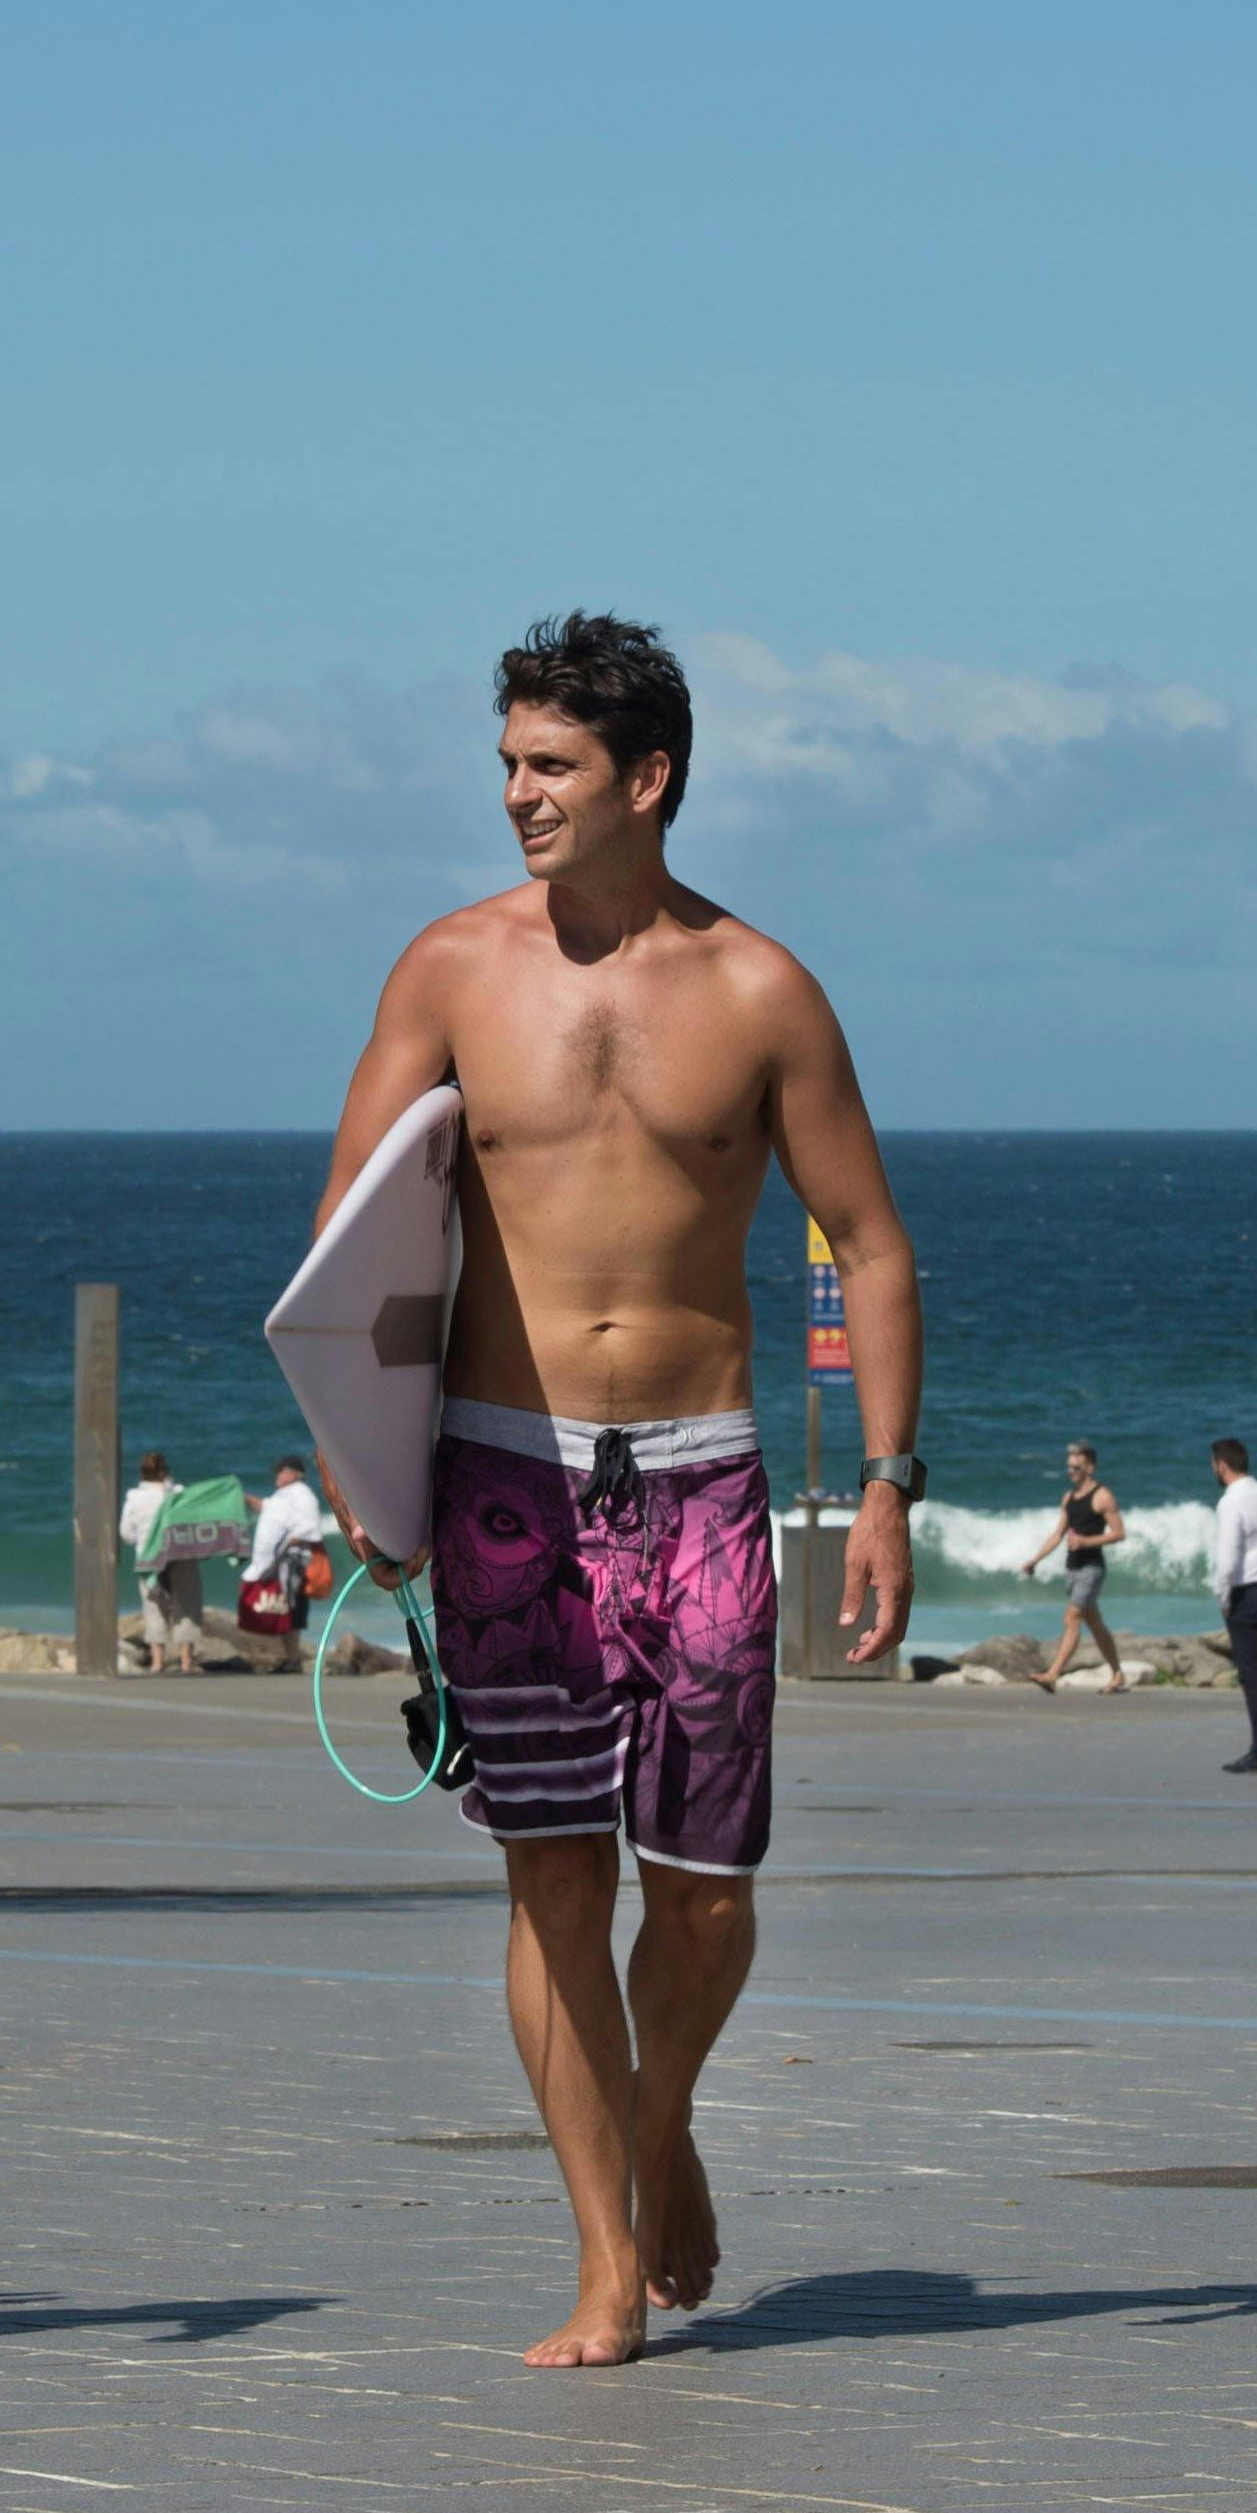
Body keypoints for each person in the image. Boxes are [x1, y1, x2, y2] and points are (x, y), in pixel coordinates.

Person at [313, 612, 922, 2371]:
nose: (518, 796)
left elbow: (871, 1248)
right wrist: (367, 1461)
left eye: (553, 767)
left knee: (709, 1890)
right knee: (553, 1879)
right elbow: (346, 1241)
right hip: (500, 1478)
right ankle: (599, 2258)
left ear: (646, 778)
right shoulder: (446, 971)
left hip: (704, 1478)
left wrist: (883, 1486)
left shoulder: (760, 995)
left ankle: (654, 2136)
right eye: (507, 764)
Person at [1013, 1441, 1125, 1694]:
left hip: (1091, 1568)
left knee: (1072, 1616)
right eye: (1069, 1467)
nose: (1072, 1471)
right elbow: (1058, 1535)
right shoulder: (1069, 1497)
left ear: (1090, 1467)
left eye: (1077, 1466)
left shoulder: (1102, 1496)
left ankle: (1052, 1674)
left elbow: (1119, 1533)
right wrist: (1035, 1560)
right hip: (1072, 1568)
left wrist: (1086, 1541)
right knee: (1095, 1624)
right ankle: (1117, 1673)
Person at [1206, 1439, 1257, 1772]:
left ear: (1221, 1465)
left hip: (1247, 1596)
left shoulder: (1230, 1502)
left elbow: (1228, 1556)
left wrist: (1224, 1597)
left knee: (1251, 1677)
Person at [243, 1454, 336, 1668]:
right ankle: (290, 1656)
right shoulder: (282, 1496)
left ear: (292, 1474)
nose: (277, 1475)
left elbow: (311, 1527)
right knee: (284, 1607)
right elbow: (265, 1507)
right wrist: (244, 1498)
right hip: (279, 1562)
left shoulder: (303, 1496)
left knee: (293, 1607)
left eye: (280, 1471)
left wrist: (291, 1541)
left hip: (294, 1562)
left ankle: (293, 1658)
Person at [119, 1450, 195, 1671]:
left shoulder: (134, 1498)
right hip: (179, 1555)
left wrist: (142, 1539)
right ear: (164, 1472)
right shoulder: (178, 1493)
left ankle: (157, 1661)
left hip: (149, 1559)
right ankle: (186, 1661)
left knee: (154, 1608)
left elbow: (126, 1534)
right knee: (185, 1606)